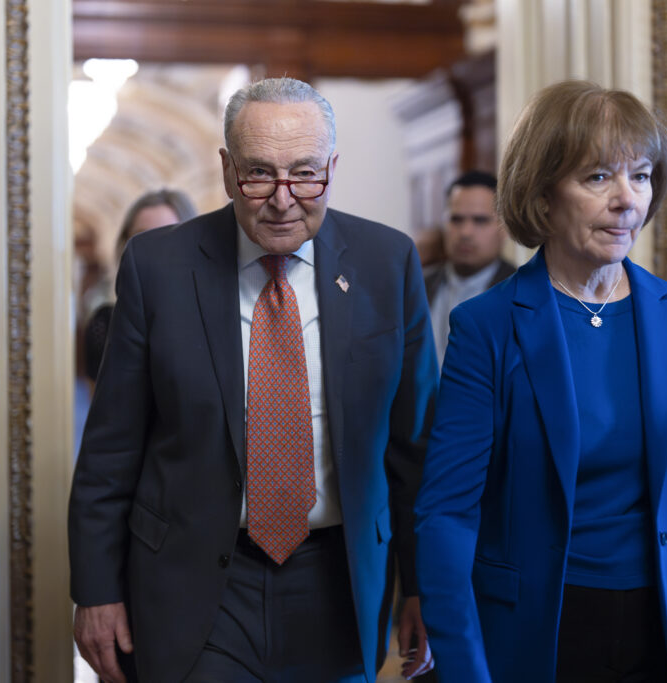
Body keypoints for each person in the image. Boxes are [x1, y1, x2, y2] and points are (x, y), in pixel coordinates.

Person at [69, 77, 437, 683]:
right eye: (259, 173)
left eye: (305, 174)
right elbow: (112, 449)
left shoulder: (386, 264)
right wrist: (96, 590)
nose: (283, 198)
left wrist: (424, 586)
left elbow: (414, 449)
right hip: (196, 580)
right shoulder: (159, 267)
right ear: (225, 168)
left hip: (339, 580)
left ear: (332, 168)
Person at [414, 80, 667, 682]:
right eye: (599, 177)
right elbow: (447, 515)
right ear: (543, 196)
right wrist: (465, 670)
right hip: (542, 631)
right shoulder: (487, 326)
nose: (627, 200)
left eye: (642, 176)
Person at [83, 188, 197, 382]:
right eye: (141, 240)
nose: (153, 252)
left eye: (168, 237)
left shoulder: (210, 322)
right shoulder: (105, 325)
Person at [423, 170, 514, 364]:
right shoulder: (417, 286)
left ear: (504, 227)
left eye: (480, 220)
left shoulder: (524, 294)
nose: (465, 232)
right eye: (456, 219)